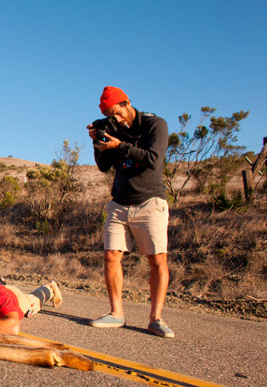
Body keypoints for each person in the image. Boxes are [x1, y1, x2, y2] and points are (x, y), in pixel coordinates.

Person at [86, 86, 174, 338]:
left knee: (157, 259)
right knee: (111, 256)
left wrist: (120, 145)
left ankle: (156, 318)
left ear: (127, 104)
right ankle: (116, 314)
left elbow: (154, 159)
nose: (117, 120)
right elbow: (104, 167)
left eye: (118, 114)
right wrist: (98, 142)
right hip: (119, 203)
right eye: (111, 117)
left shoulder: (155, 124)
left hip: (150, 202)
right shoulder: (114, 130)